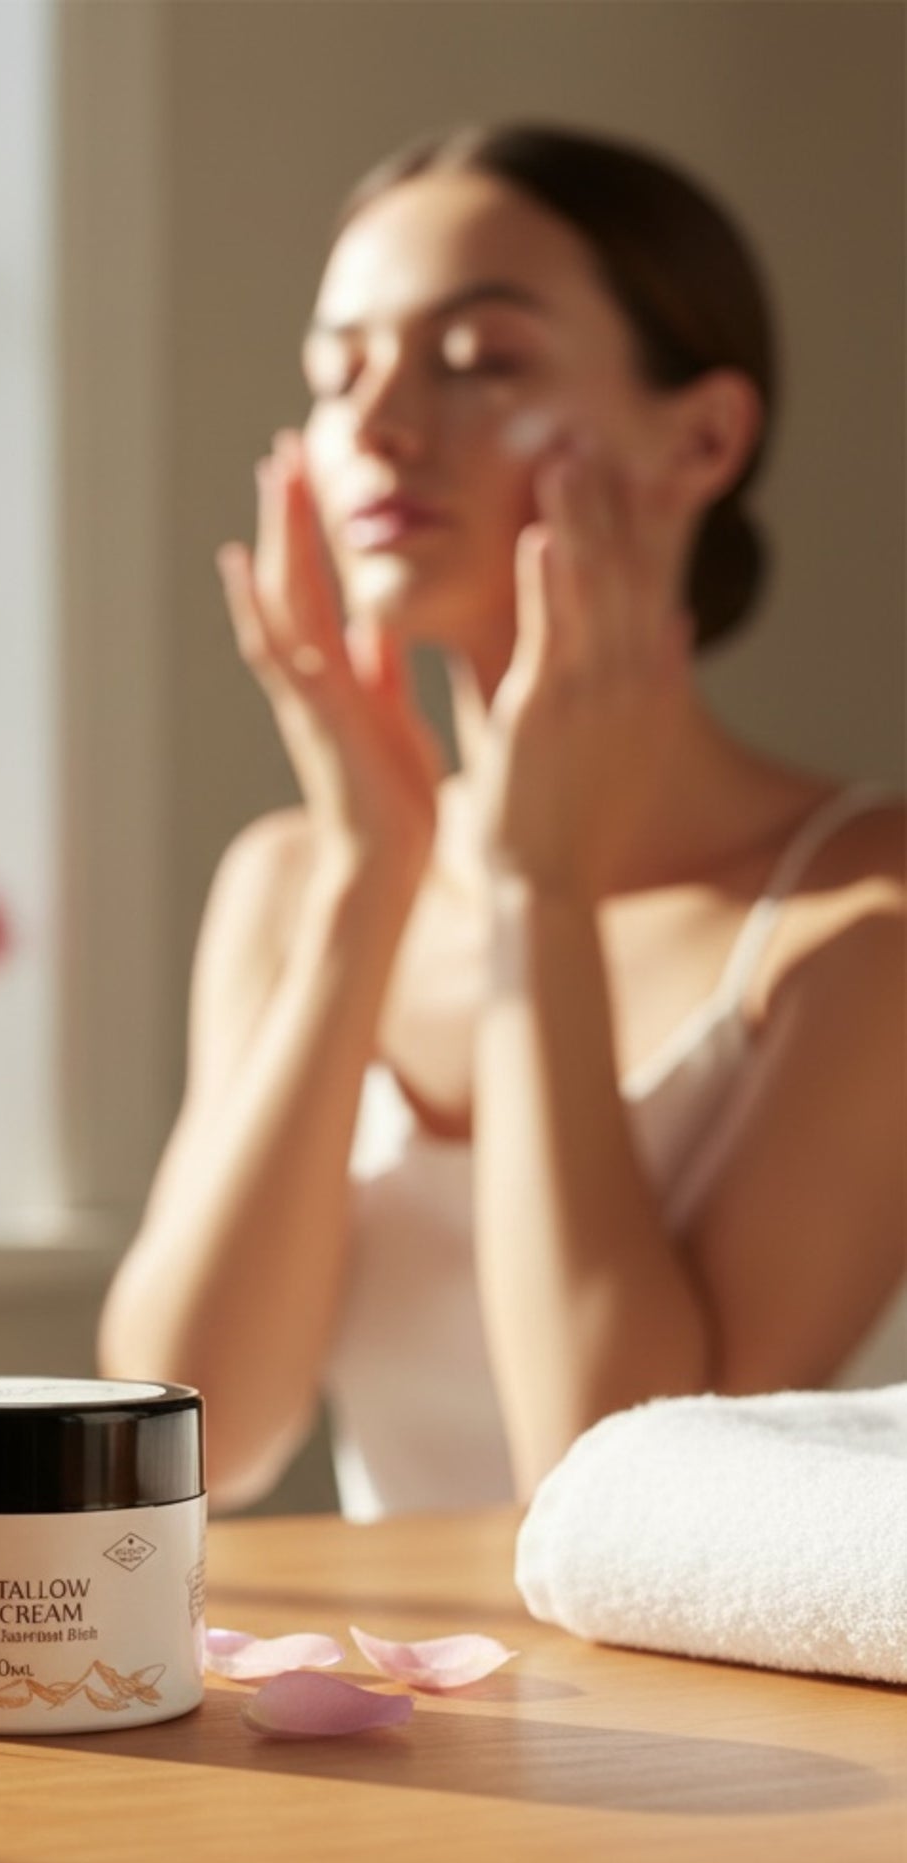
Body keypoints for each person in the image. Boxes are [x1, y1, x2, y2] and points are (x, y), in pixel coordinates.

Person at [96, 123, 905, 1518]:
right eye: (338, 371)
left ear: (702, 434)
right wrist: (364, 882)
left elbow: (624, 1485)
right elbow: (184, 1447)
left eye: (480, 361)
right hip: (404, 1718)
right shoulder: (288, 883)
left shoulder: (859, 916)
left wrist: (538, 885)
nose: (381, 425)